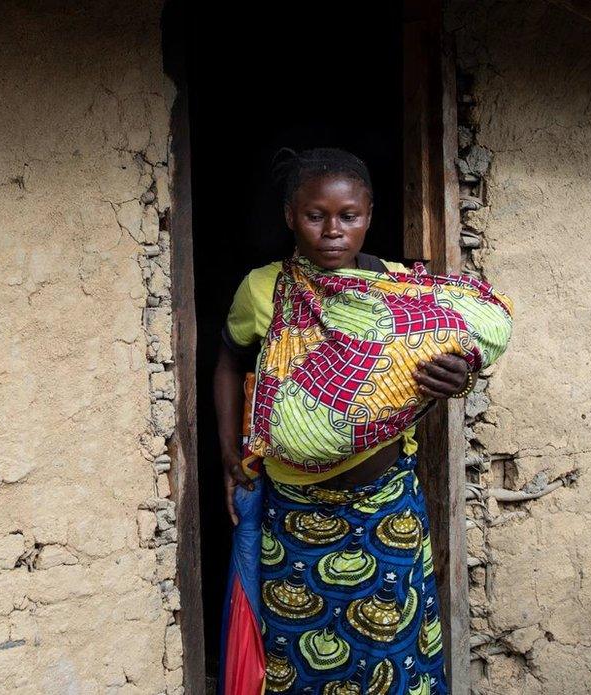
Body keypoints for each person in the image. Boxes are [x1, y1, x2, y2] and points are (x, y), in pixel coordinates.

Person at [214, 147, 472, 694]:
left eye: (348, 216)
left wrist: (461, 376)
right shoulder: (263, 289)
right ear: (291, 217)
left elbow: (459, 348)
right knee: (297, 661)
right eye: (315, 215)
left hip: (386, 508)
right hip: (294, 516)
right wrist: (227, 453)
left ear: (369, 216)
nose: (332, 230)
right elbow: (229, 360)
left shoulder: (406, 289)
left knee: (393, 660)